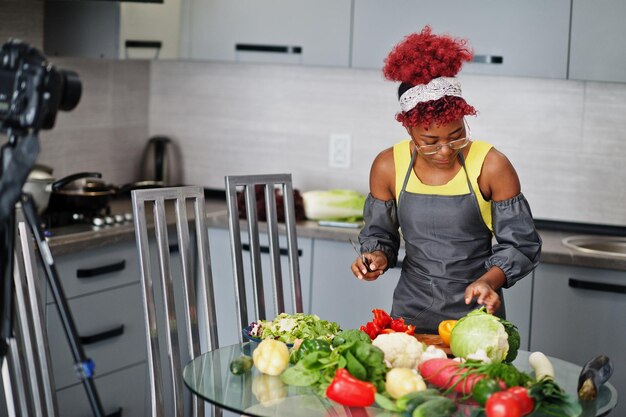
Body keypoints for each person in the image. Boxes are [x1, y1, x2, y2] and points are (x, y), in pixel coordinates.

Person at [351, 26, 542, 334]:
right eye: (429, 140)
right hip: (409, 315)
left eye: (456, 136)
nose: (444, 150)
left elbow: (522, 245)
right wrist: (374, 258)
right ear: (408, 130)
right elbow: (381, 237)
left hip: (476, 319)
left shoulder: (492, 166)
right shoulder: (388, 166)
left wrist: (488, 281)